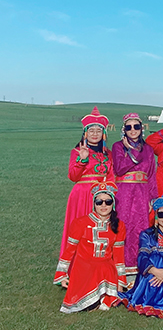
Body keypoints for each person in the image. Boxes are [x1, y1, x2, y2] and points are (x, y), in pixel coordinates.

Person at [54, 181, 126, 313]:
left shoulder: (119, 226)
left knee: (104, 268)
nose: (103, 205)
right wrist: (62, 274)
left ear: (113, 204)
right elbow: (69, 251)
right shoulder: (79, 223)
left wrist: (121, 282)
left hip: (105, 269)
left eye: (108, 202)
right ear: (94, 204)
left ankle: (103, 296)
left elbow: (118, 256)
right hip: (83, 268)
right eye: (99, 202)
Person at [60, 106, 115, 257]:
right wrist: (82, 160)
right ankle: (76, 263)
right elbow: (73, 176)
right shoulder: (77, 151)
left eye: (98, 131)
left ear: (103, 134)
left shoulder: (108, 154)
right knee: (80, 230)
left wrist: (109, 195)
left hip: (102, 196)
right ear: (85, 133)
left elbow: (111, 176)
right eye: (91, 131)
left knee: (100, 229)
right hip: (81, 195)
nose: (95, 134)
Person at [112, 112, 157, 277]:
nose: (133, 130)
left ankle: (140, 267)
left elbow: (151, 175)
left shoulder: (148, 149)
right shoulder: (118, 146)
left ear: (141, 128)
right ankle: (121, 268)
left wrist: (153, 198)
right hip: (124, 191)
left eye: (136, 126)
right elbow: (119, 168)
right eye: (128, 127)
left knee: (141, 228)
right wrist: (132, 151)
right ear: (124, 129)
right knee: (123, 226)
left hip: (142, 192)